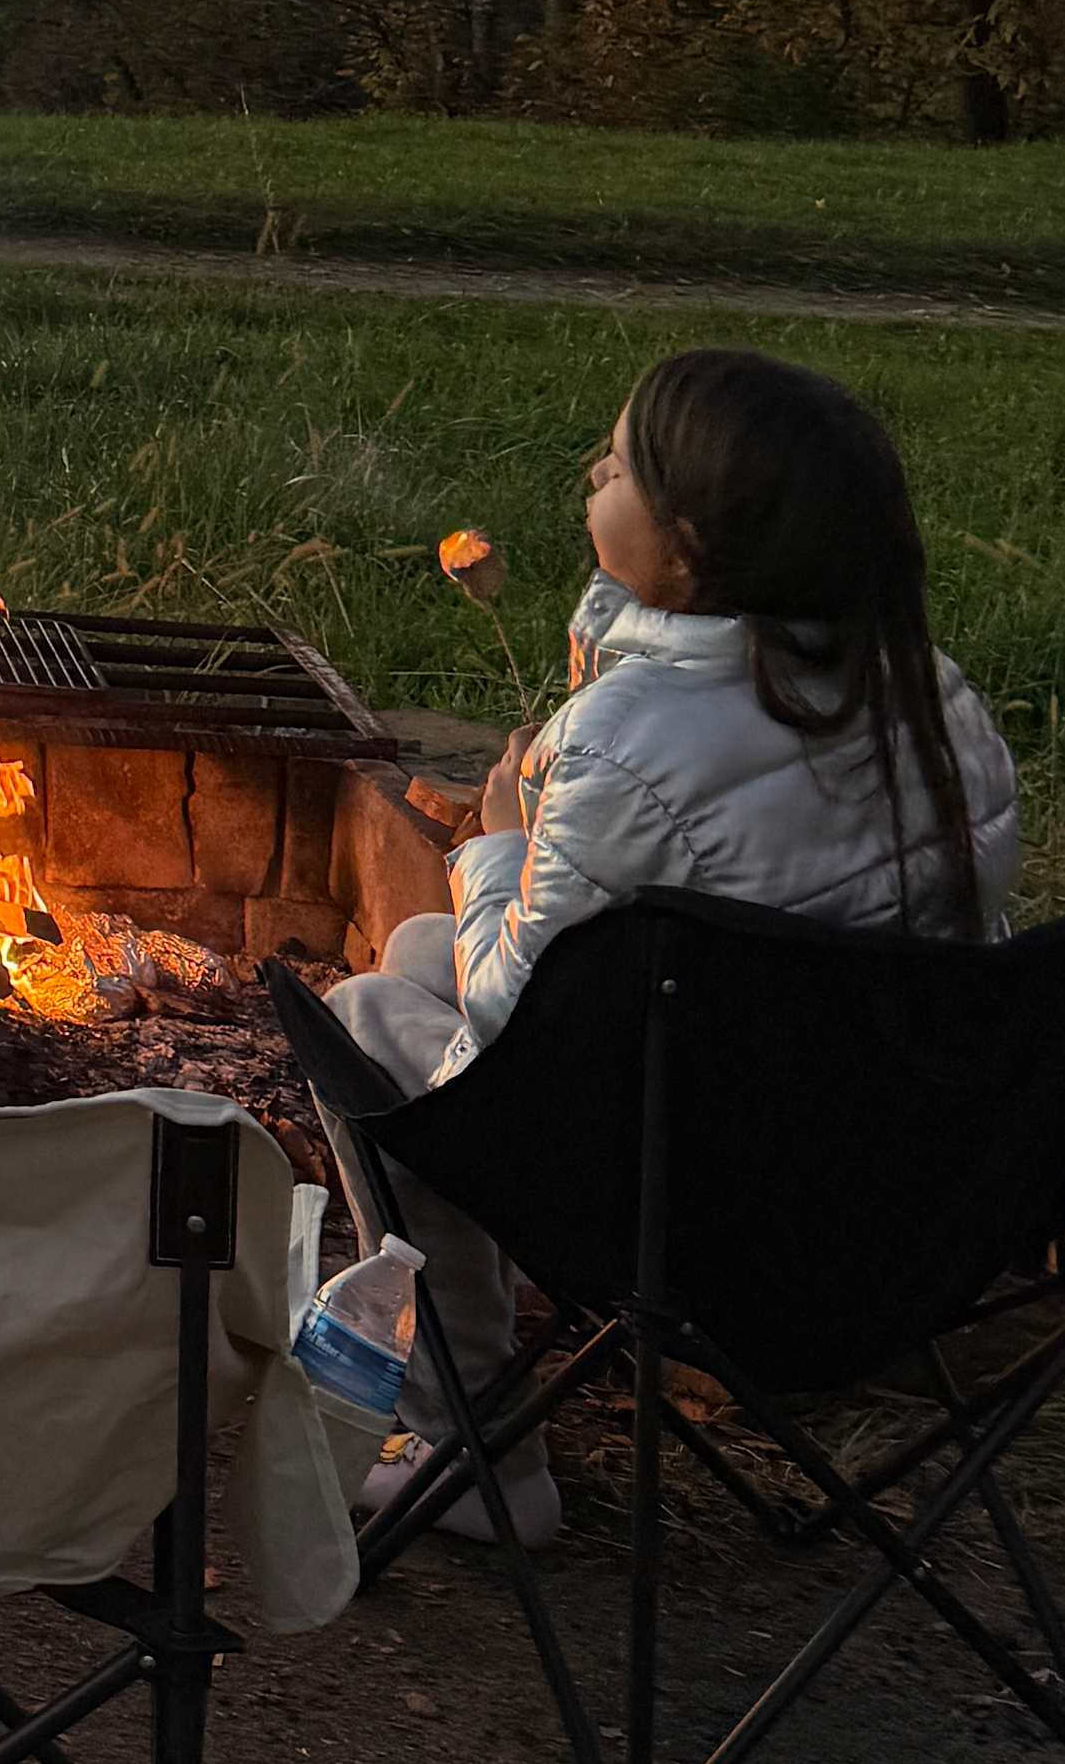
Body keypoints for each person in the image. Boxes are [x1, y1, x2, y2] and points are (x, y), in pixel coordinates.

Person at [321, 345, 1020, 1545]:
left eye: (619, 462)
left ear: (688, 549)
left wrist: (497, 837)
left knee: (369, 1021)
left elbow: (508, 1027)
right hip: (892, 1194)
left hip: (693, 1218)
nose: (593, 471)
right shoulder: (931, 696)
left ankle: (476, 1446)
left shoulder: (630, 740)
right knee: (427, 947)